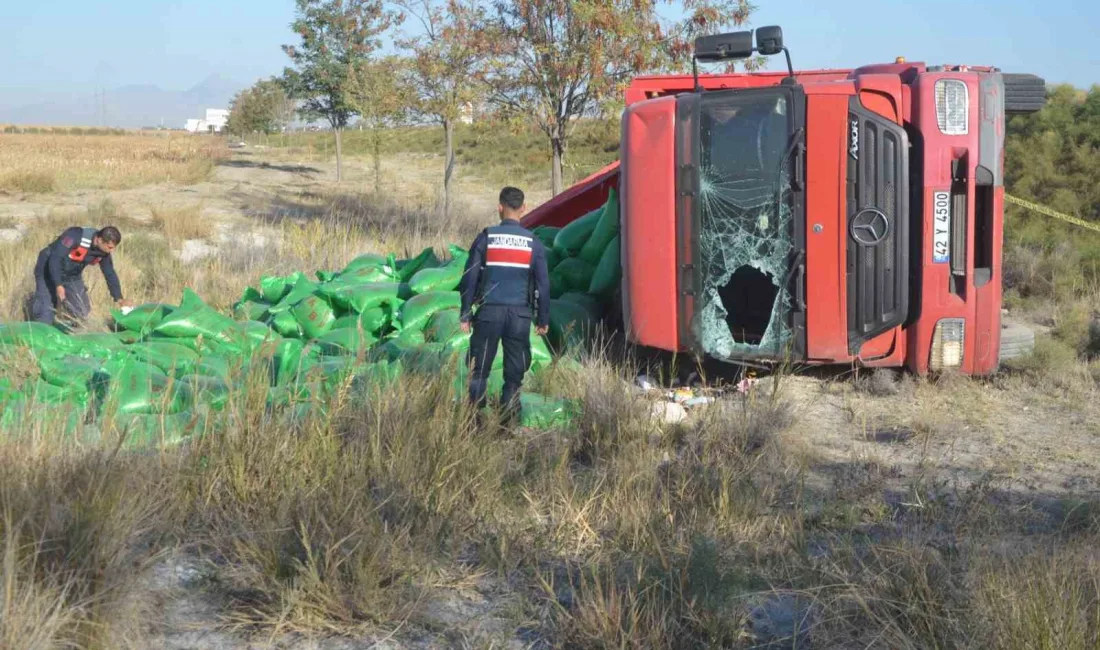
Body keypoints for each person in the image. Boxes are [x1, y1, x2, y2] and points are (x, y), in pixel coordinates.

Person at [460, 186, 551, 424]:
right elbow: (543, 285)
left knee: (478, 370)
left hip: (489, 314)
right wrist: (543, 319)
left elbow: (470, 277)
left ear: (500, 207)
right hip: (520, 317)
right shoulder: (534, 244)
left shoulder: (487, 238)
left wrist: (465, 313)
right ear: (523, 209)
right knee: (514, 375)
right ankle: (508, 423)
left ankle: (473, 422)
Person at [32, 225, 131, 328]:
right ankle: (40, 333)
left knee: (81, 310)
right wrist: (58, 284)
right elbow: (55, 258)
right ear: (100, 240)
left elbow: (109, 273)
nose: (111, 251)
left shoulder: (103, 252)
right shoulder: (75, 235)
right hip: (47, 269)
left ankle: (73, 334)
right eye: (110, 247)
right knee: (45, 310)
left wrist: (119, 298)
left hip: (72, 274)